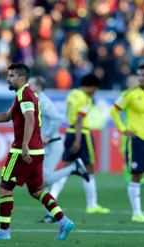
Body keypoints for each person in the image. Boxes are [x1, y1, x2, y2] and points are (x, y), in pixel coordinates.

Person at [0, 63, 74, 241]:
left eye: (11, 76)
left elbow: (30, 118)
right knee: (37, 190)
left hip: (21, 151)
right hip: (37, 151)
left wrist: (24, 146)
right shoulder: (24, 94)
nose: (8, 79)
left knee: (5, 188)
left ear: (21, 78)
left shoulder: (24, 94)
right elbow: (8, 116)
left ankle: (3, 231)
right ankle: (64, 220)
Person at [29, 76, 89, 223]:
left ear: (38, 87)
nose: (28, 87)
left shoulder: (43, 101)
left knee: (43, 181)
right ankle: (51, 214)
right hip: (44, 147)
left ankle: (74, 167)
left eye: (30, 84)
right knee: (38, 183)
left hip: (53, 145)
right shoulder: (35, 100)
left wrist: (48, 135)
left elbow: (57, 118)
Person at [61, 74, 110, 214]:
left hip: (69, 131)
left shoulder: (72, 94)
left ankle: (51, 199)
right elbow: (80, 119)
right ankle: (92, 205)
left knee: (65, 167)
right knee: (89, 168)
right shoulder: (85, 98)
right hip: (81, 134)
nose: (96, 92)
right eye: (96, 89)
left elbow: (70, 115)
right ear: (93, 87)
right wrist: (78, 140)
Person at [110, 63, 144, 223]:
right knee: (136, 175)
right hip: (138, 140)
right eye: (139, 75)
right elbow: (114, 110)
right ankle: (137, 213)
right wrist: (122, 128)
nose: (140, 77)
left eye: (143, 75)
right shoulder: (130, 94)